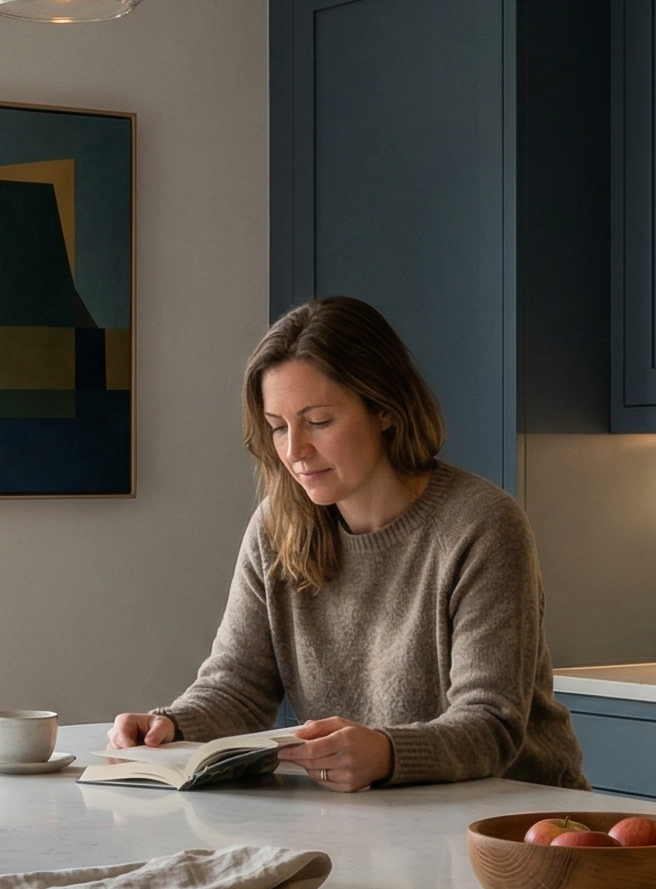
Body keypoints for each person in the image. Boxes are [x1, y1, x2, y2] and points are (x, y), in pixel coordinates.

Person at [111, 296, 587, 793]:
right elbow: (238, 688)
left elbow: (490, 724)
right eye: (278, 427)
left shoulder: (481, 525)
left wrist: (386, 753)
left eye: (319, 421)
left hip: (520, 816)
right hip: (380, 815)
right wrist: (172, 724)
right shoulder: (277, 528)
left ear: (384, 408)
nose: (294, 450)